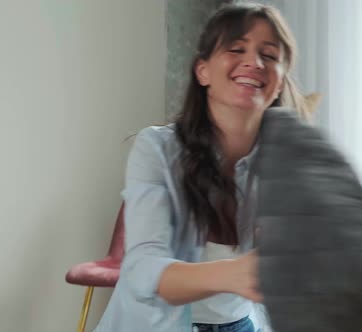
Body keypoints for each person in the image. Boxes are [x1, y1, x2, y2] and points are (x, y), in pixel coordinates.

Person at [93, 3, 305, 331]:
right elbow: (143, 270)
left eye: (270, 55)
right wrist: (234, 274)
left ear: (278, 83)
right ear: (202, 70)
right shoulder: (157, 149)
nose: (254, 62)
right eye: (237, 48)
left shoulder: (285, 166)